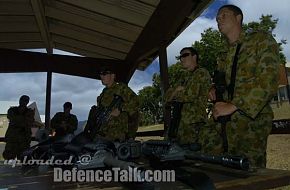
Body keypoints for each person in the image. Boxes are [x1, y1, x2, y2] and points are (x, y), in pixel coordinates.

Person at [203, 4, 280, 168]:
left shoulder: (261, 39)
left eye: (223, 15)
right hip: (221, 122)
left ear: (238, 18)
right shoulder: (223, 55)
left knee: (248, 176)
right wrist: (213, 89)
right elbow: (225, 84)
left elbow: (269, 81)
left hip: (249, 123)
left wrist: (234, 105)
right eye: (217, 18)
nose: (218, 20)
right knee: (216, 171)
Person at [165, 47, 211, 145]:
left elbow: (190, 95)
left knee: (192, 157)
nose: (181, 59)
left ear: (194, 57)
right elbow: (167, 99)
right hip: (177, 124)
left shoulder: (201, 72)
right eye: (180, 57)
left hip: (193, 126)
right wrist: (176, 91)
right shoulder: (182, 77)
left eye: (185, 55)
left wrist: (175, 93)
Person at [87, 68, 139, 142]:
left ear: (113, 75)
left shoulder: (121, 88)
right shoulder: (103, 94)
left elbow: (136, 102)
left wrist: (120, 109)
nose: (101, 76)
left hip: (117, 134)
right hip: (102, 134)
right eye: (100, 74)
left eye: (104, 73)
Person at [3, 95, 35, 160]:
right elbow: (11, 118)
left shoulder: (30, 112)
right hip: (12, 138)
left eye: (25, 100)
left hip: (24, 139)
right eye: (22, 99)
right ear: (19, 100)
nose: (23, 101)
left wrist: (17, 121)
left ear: (27, 102)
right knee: (8, 157)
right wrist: (24, 120)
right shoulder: (12, 110)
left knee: (24, 158)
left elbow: (30, 122)